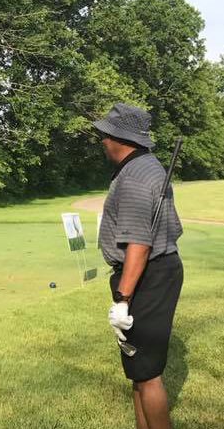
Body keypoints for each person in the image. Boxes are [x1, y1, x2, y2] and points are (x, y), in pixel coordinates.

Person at [94, 103, 184, 429]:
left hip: (147, 277)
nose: (102, 140)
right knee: (137, 370)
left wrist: (122, 299)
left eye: (105, 134)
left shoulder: (134, 176)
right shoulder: (144, 167)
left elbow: (139, 245)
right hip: (153, 274)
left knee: (147, 375)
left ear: (120, 138)